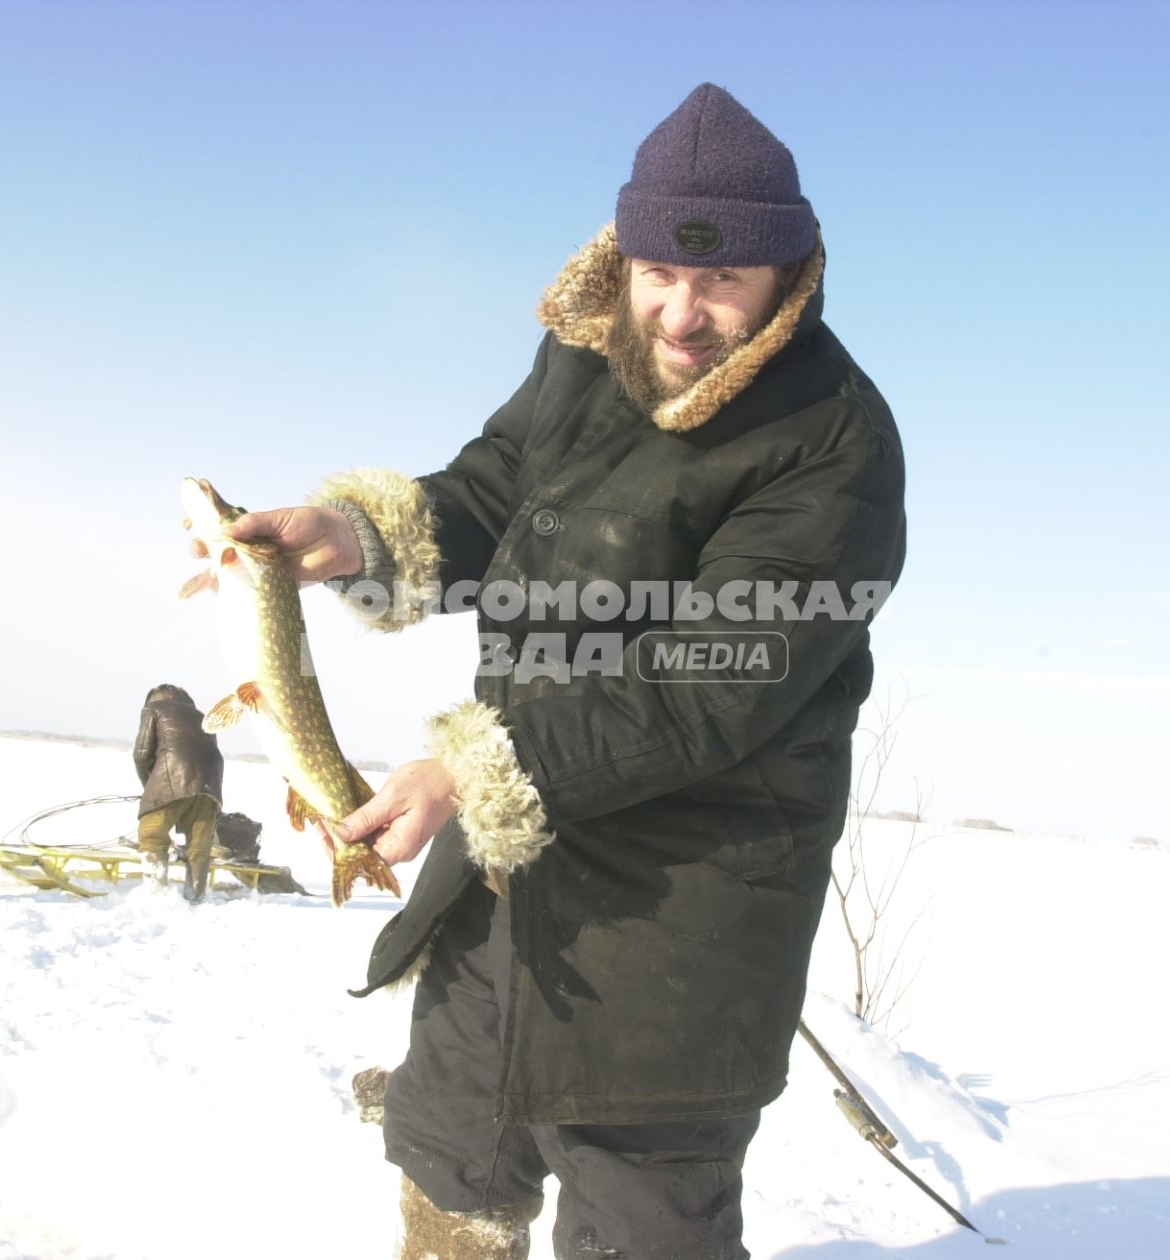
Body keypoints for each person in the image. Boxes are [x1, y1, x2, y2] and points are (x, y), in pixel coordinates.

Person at [222, 83, 907, 1259]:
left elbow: (713, 681)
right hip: (509, 869)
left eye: (722, 282)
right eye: (660, 275)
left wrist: (472, 768)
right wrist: (363, 538)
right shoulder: (586, 360)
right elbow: (495, 488)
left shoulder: (833, 437)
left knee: (643, 1223)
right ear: (625, 256)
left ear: (788, 277)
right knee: (452, 1148)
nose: (682, 315)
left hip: (682, 904)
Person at [132, 683, 224, 900]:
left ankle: (156, 894)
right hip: (211, 786)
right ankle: (195, 897)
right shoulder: (204, 717)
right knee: (199, 847)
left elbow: (142, 753)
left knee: (152, 835)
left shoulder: (154, 709)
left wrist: (151, 788)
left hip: (170, 779)